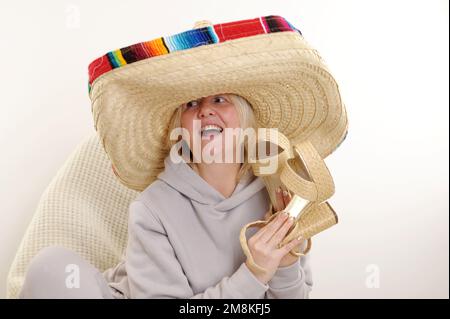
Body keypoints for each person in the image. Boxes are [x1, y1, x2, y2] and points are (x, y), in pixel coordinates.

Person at [19, 15, 348, 299]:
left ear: (245, 118)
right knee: (52, 268)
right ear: (183, 129)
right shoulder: (152, 208)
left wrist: (285, 260)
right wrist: (253, 274)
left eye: (220, 99)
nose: (205, 110)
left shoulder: (275, 192)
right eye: (192, 105)